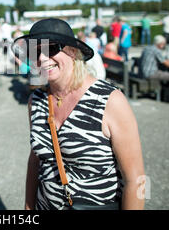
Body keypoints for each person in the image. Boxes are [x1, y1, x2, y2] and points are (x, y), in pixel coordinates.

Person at [14, 18, 145, 210]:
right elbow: (35, 162)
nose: (42, 59)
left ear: (73, 51)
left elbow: (137, 180)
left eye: (51, 48)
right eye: (35, 51)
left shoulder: (109, 101)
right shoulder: (37, 100)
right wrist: (28, 207)